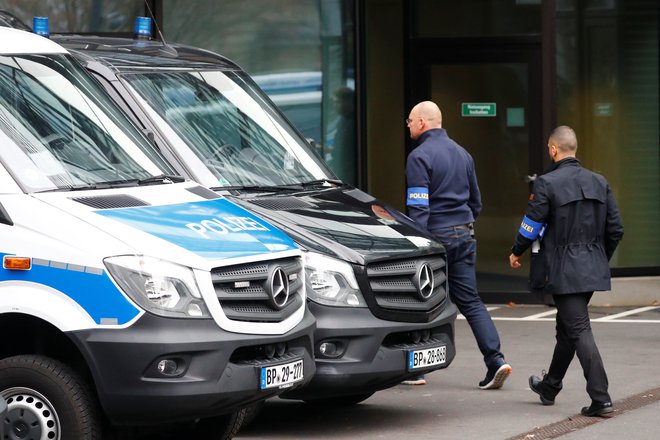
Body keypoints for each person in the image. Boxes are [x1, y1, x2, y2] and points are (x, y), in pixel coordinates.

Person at [509, 125, 624, 417]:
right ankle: (550, 386)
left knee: (578, 329)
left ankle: (602, 398)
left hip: (563, 269)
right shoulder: (600, 181)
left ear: (553, 149)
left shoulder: (547, 183)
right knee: (568, 330)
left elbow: (531, 224)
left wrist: (516, 250)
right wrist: (598, 258)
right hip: (589, 268)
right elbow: (616, 229)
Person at [404, 101, 511, 389]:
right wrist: (461, 223)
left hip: (436, 237)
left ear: (423, 123)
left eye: (411, 121)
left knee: (422, 300)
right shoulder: (463, 154)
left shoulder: (419, 156)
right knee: (471, 301)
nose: (409, 125)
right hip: (464, 234)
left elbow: (419, 210)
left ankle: (417, 370)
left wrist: (420, 246)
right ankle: (496, 360)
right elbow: (476, 202)